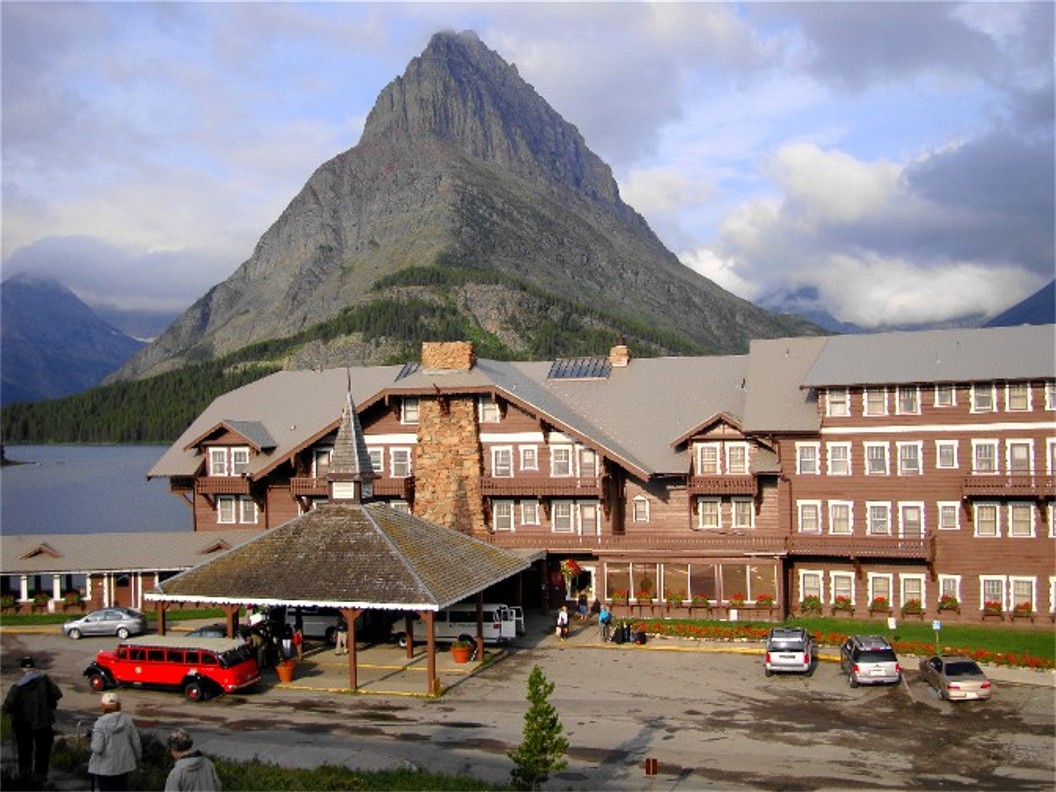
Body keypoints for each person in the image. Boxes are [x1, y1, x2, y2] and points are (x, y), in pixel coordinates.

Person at [2, 656, 62, 784]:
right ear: (34, 667)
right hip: (44, 722)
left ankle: (26, 775)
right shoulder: (45, 680)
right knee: (43, 750)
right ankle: (41, 776)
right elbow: (57, 694)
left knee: (24, 751)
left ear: (22, 669)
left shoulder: (17, 686)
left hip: (23, 724)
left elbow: (9, 705)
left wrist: (8, 710)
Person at [88, 691, 142, 791]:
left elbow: (98, 748)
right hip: (123, 765)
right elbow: (136, 741)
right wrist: (138, 758)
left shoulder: (100, 723)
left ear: (103, 706)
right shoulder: (127, 720)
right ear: (118, 705)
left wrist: (91, 742)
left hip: (104, 768)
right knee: (122, 787)